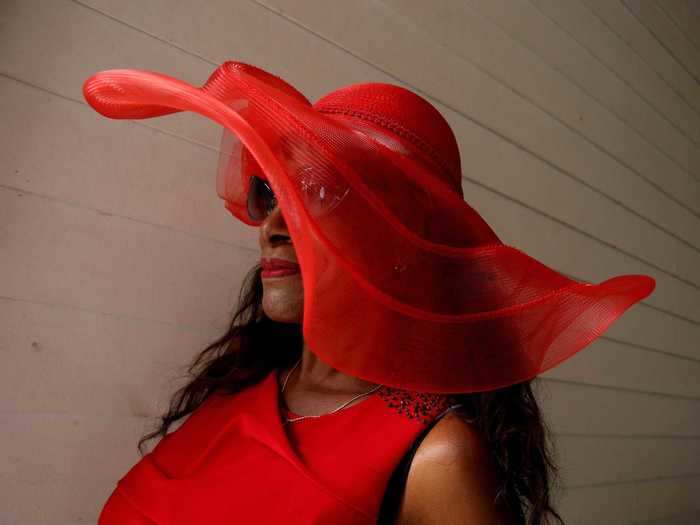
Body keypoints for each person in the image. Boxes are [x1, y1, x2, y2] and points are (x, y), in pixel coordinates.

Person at [83, 61, 655, 524]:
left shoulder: (434, 460)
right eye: (271, 192)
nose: (272, 225)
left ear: (405, 242)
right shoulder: (237, 386)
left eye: (320, 194)